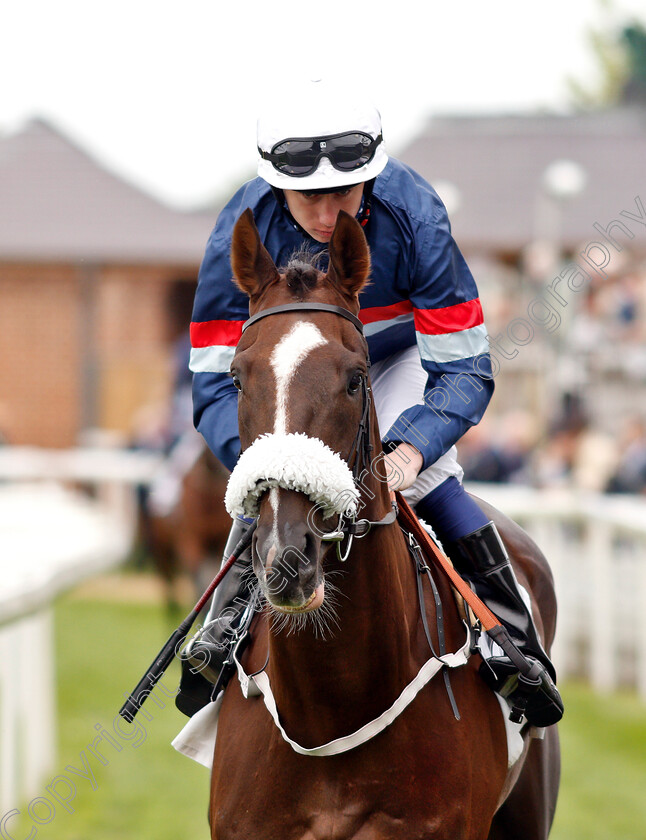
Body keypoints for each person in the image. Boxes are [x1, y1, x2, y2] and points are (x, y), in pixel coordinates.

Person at [186, 79, 562, 726]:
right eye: (311, 194)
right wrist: (263, 462)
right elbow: (216, 380)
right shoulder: (238, 232)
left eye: (346, 190)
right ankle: (220, 633)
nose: (329, 212)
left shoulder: (416, 215)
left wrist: (414, 448)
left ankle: (512, 637)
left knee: (429, 478)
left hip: (398, 356)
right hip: (296, 372)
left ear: (374, 175)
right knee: (275, 479)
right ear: (278, 184)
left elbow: (464, 366)